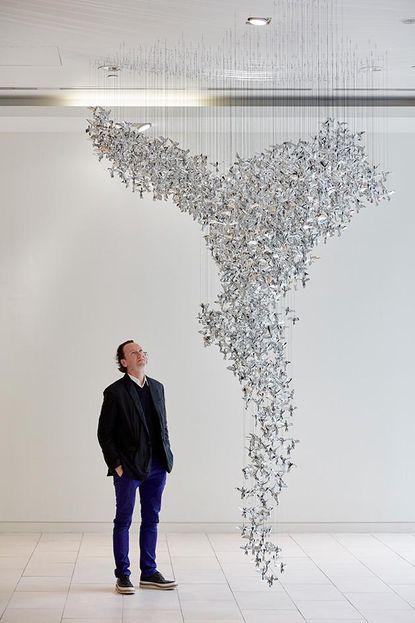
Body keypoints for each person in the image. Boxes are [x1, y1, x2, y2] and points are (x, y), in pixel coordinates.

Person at [97, 340, 177, 594]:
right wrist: (117, 465)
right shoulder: (115, 392)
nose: (140, 354)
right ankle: (123, 575)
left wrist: (166, 457)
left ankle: (149, 572)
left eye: (142, 351)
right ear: (123, 362)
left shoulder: (158, 388)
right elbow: (104, 434)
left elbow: (161, 425)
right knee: (123, 521)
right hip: (129, 468)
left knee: (151, 519)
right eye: (134, 352)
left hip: (157, 465)